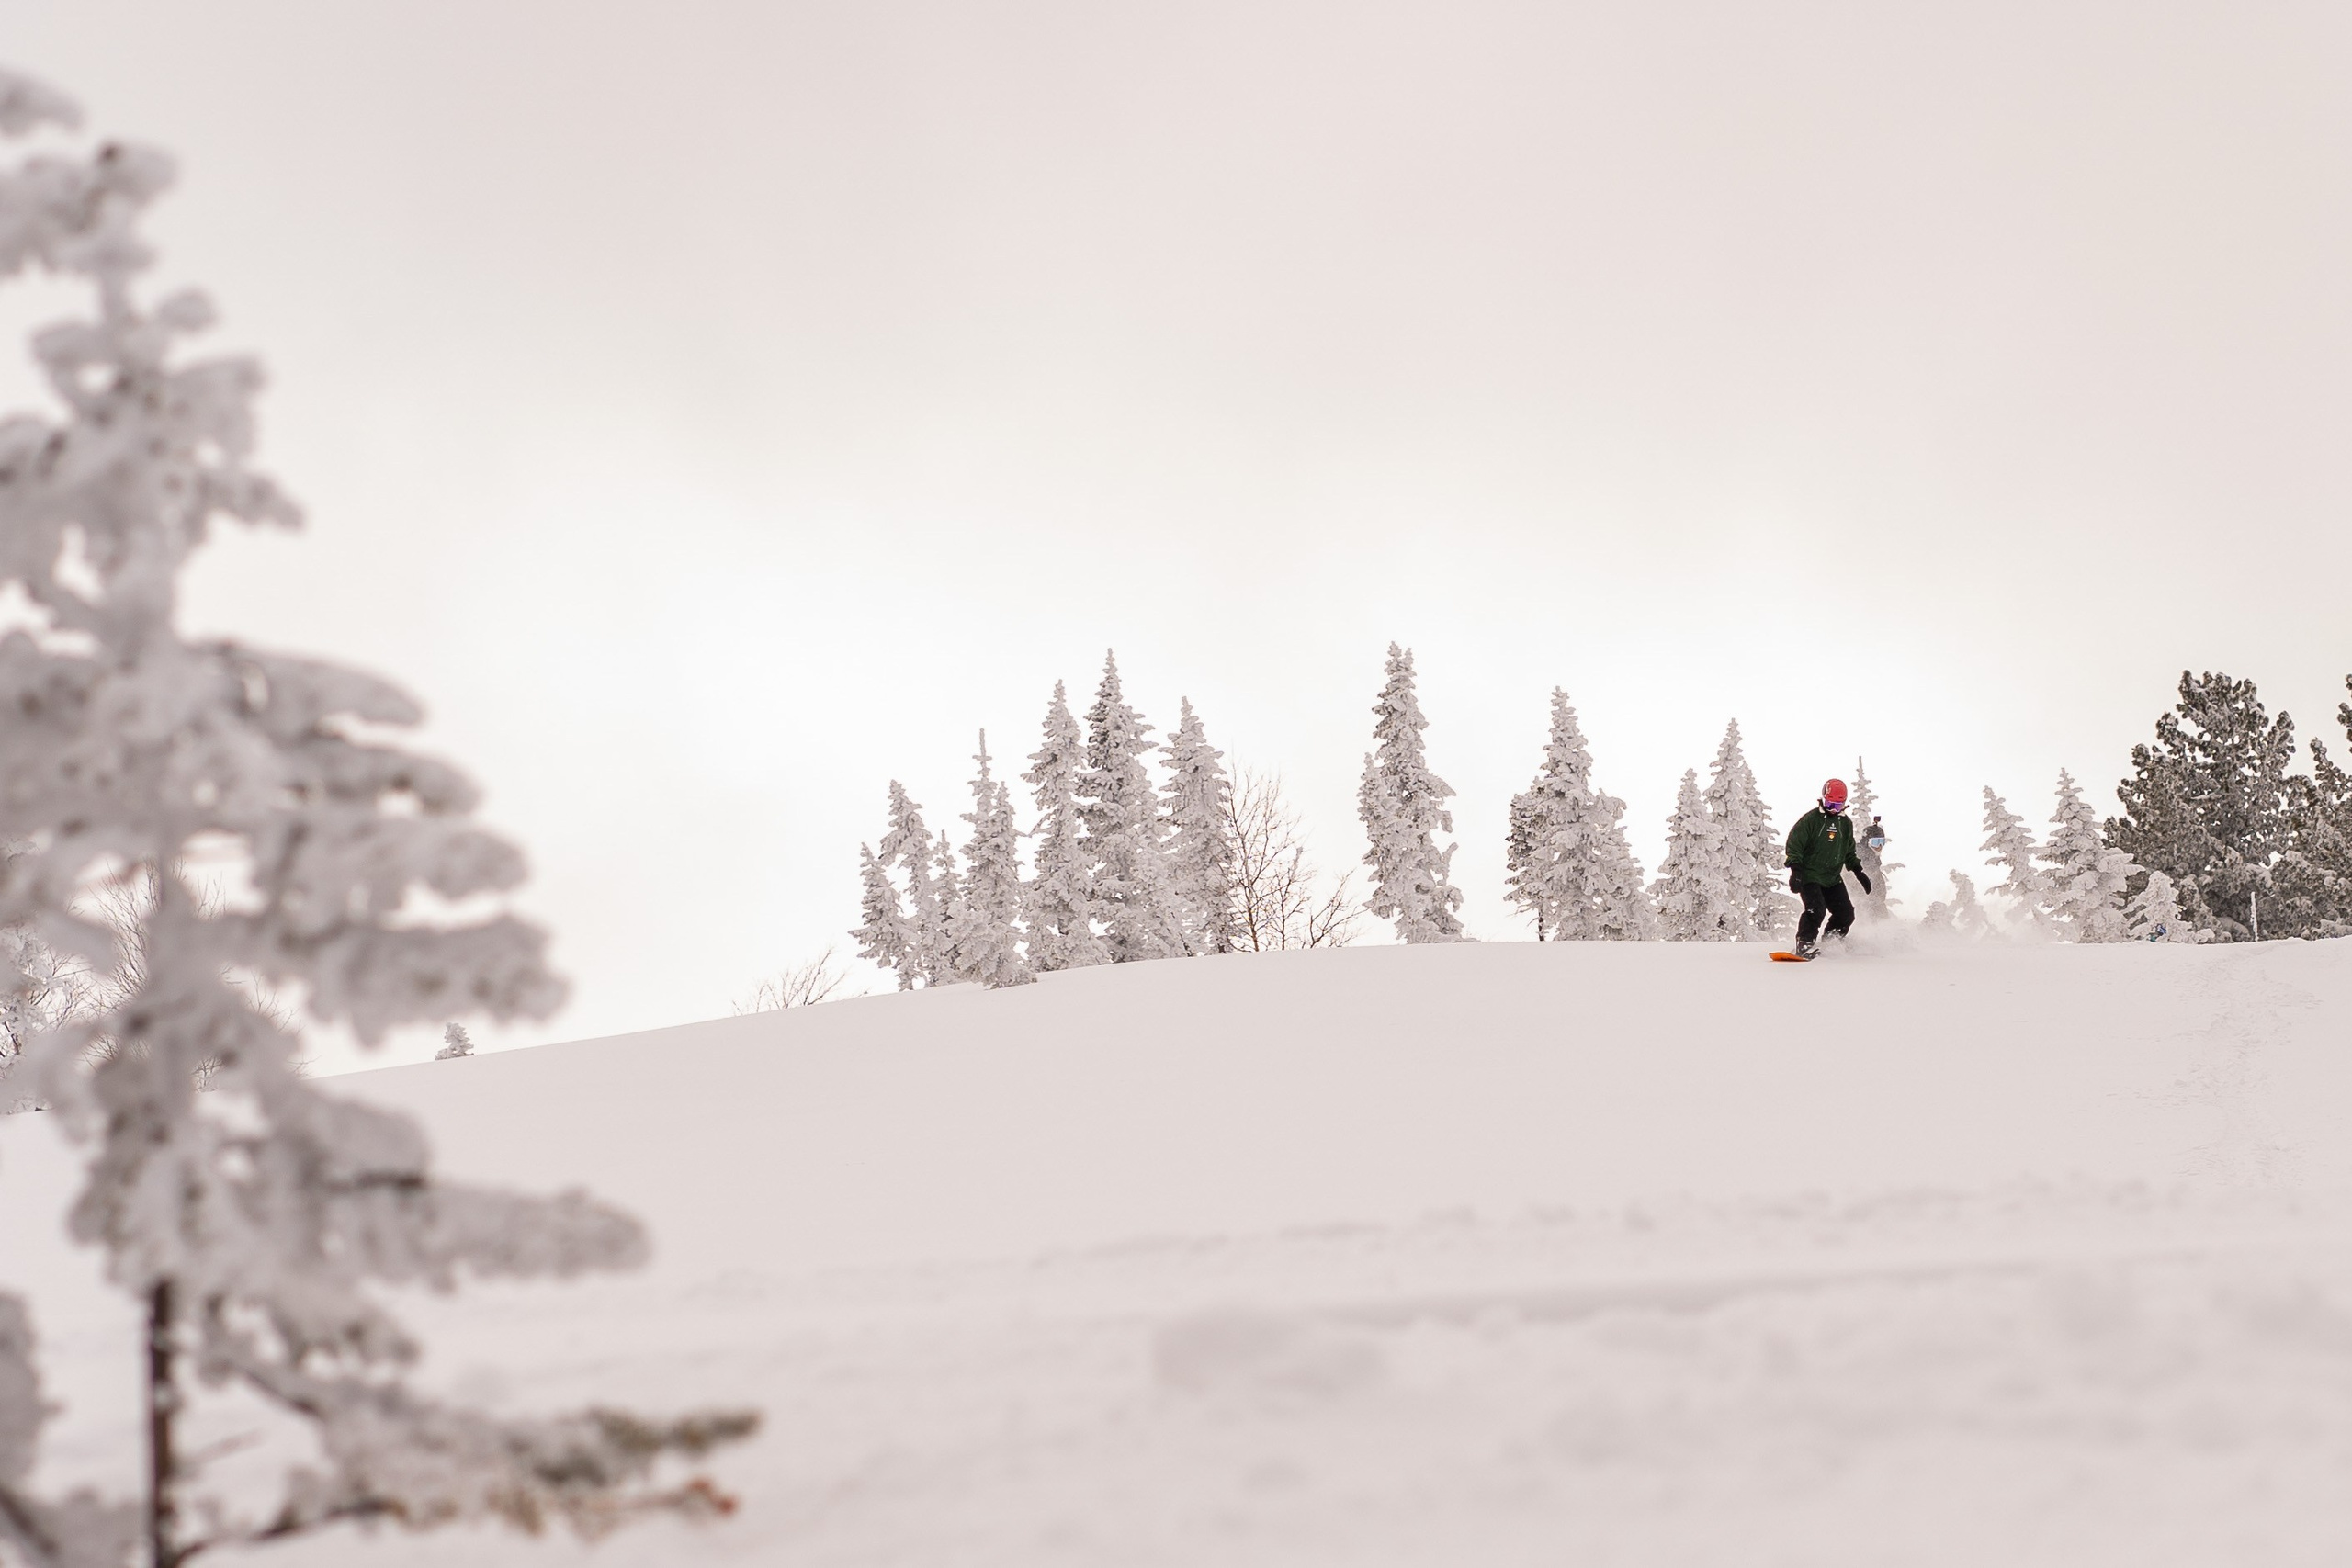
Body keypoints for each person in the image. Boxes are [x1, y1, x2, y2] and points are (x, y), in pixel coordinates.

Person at [1784, 778, 1872, 956]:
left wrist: (1858, 871)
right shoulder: (1811, 820)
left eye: (1838, 806)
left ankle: (1831, 942)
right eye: (1830, 804)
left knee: (1846, 913)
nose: (1833, 809)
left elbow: (1848, 851)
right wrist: (1796, 870)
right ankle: (1804, 943)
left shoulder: (1845, 824)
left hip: (1832, 878)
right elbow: (1795, 844)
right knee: (1816, 909)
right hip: (1810, 876)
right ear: (1823, 799)